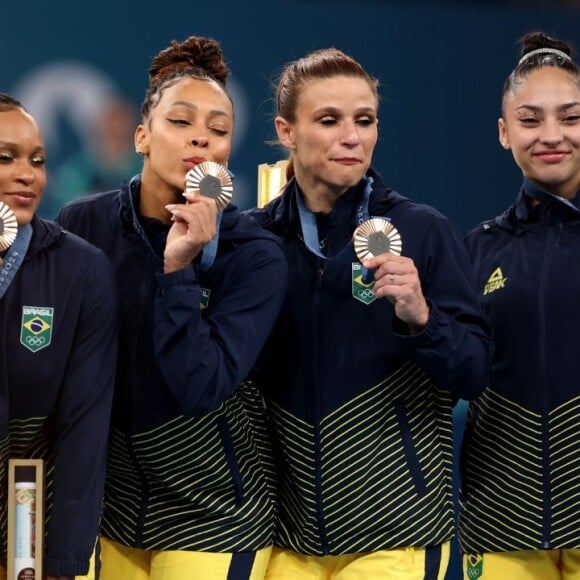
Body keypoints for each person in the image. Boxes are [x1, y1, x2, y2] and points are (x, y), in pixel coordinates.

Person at [247, 48, 492, 579]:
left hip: (397, 532)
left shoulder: (423, 230)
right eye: (329, 120)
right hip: (287, 537)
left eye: (365, 120)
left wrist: (423, 317)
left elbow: (473, 372)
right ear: (286, 132)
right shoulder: (255, 239)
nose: (351, 137)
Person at [56, 36, 288, 580]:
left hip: (214, 516)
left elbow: (198, 386)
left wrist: (178, 268)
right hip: (108, 513)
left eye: (220, 129)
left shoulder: (253, 254)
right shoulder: (81, 225)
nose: (201, 137)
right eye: (180, 121)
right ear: (142, 136)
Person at [459, 31, 580, 580]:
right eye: (530, 120)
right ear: (505, 133)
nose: (551, 135)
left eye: (570, 117)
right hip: (500, 524)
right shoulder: (476, 249)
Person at [0, 93, 117, 579]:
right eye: (5, 158)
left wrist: (64, 563)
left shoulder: (81, 269)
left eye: (38, 159)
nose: (28, 173)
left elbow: (84, 429)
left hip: (35, 527)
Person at [47, 96, 142, 219]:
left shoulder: (145, 168)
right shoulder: (76, 171)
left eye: (122, 123)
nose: (117, 129)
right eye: (111, 123)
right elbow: (65, 215)